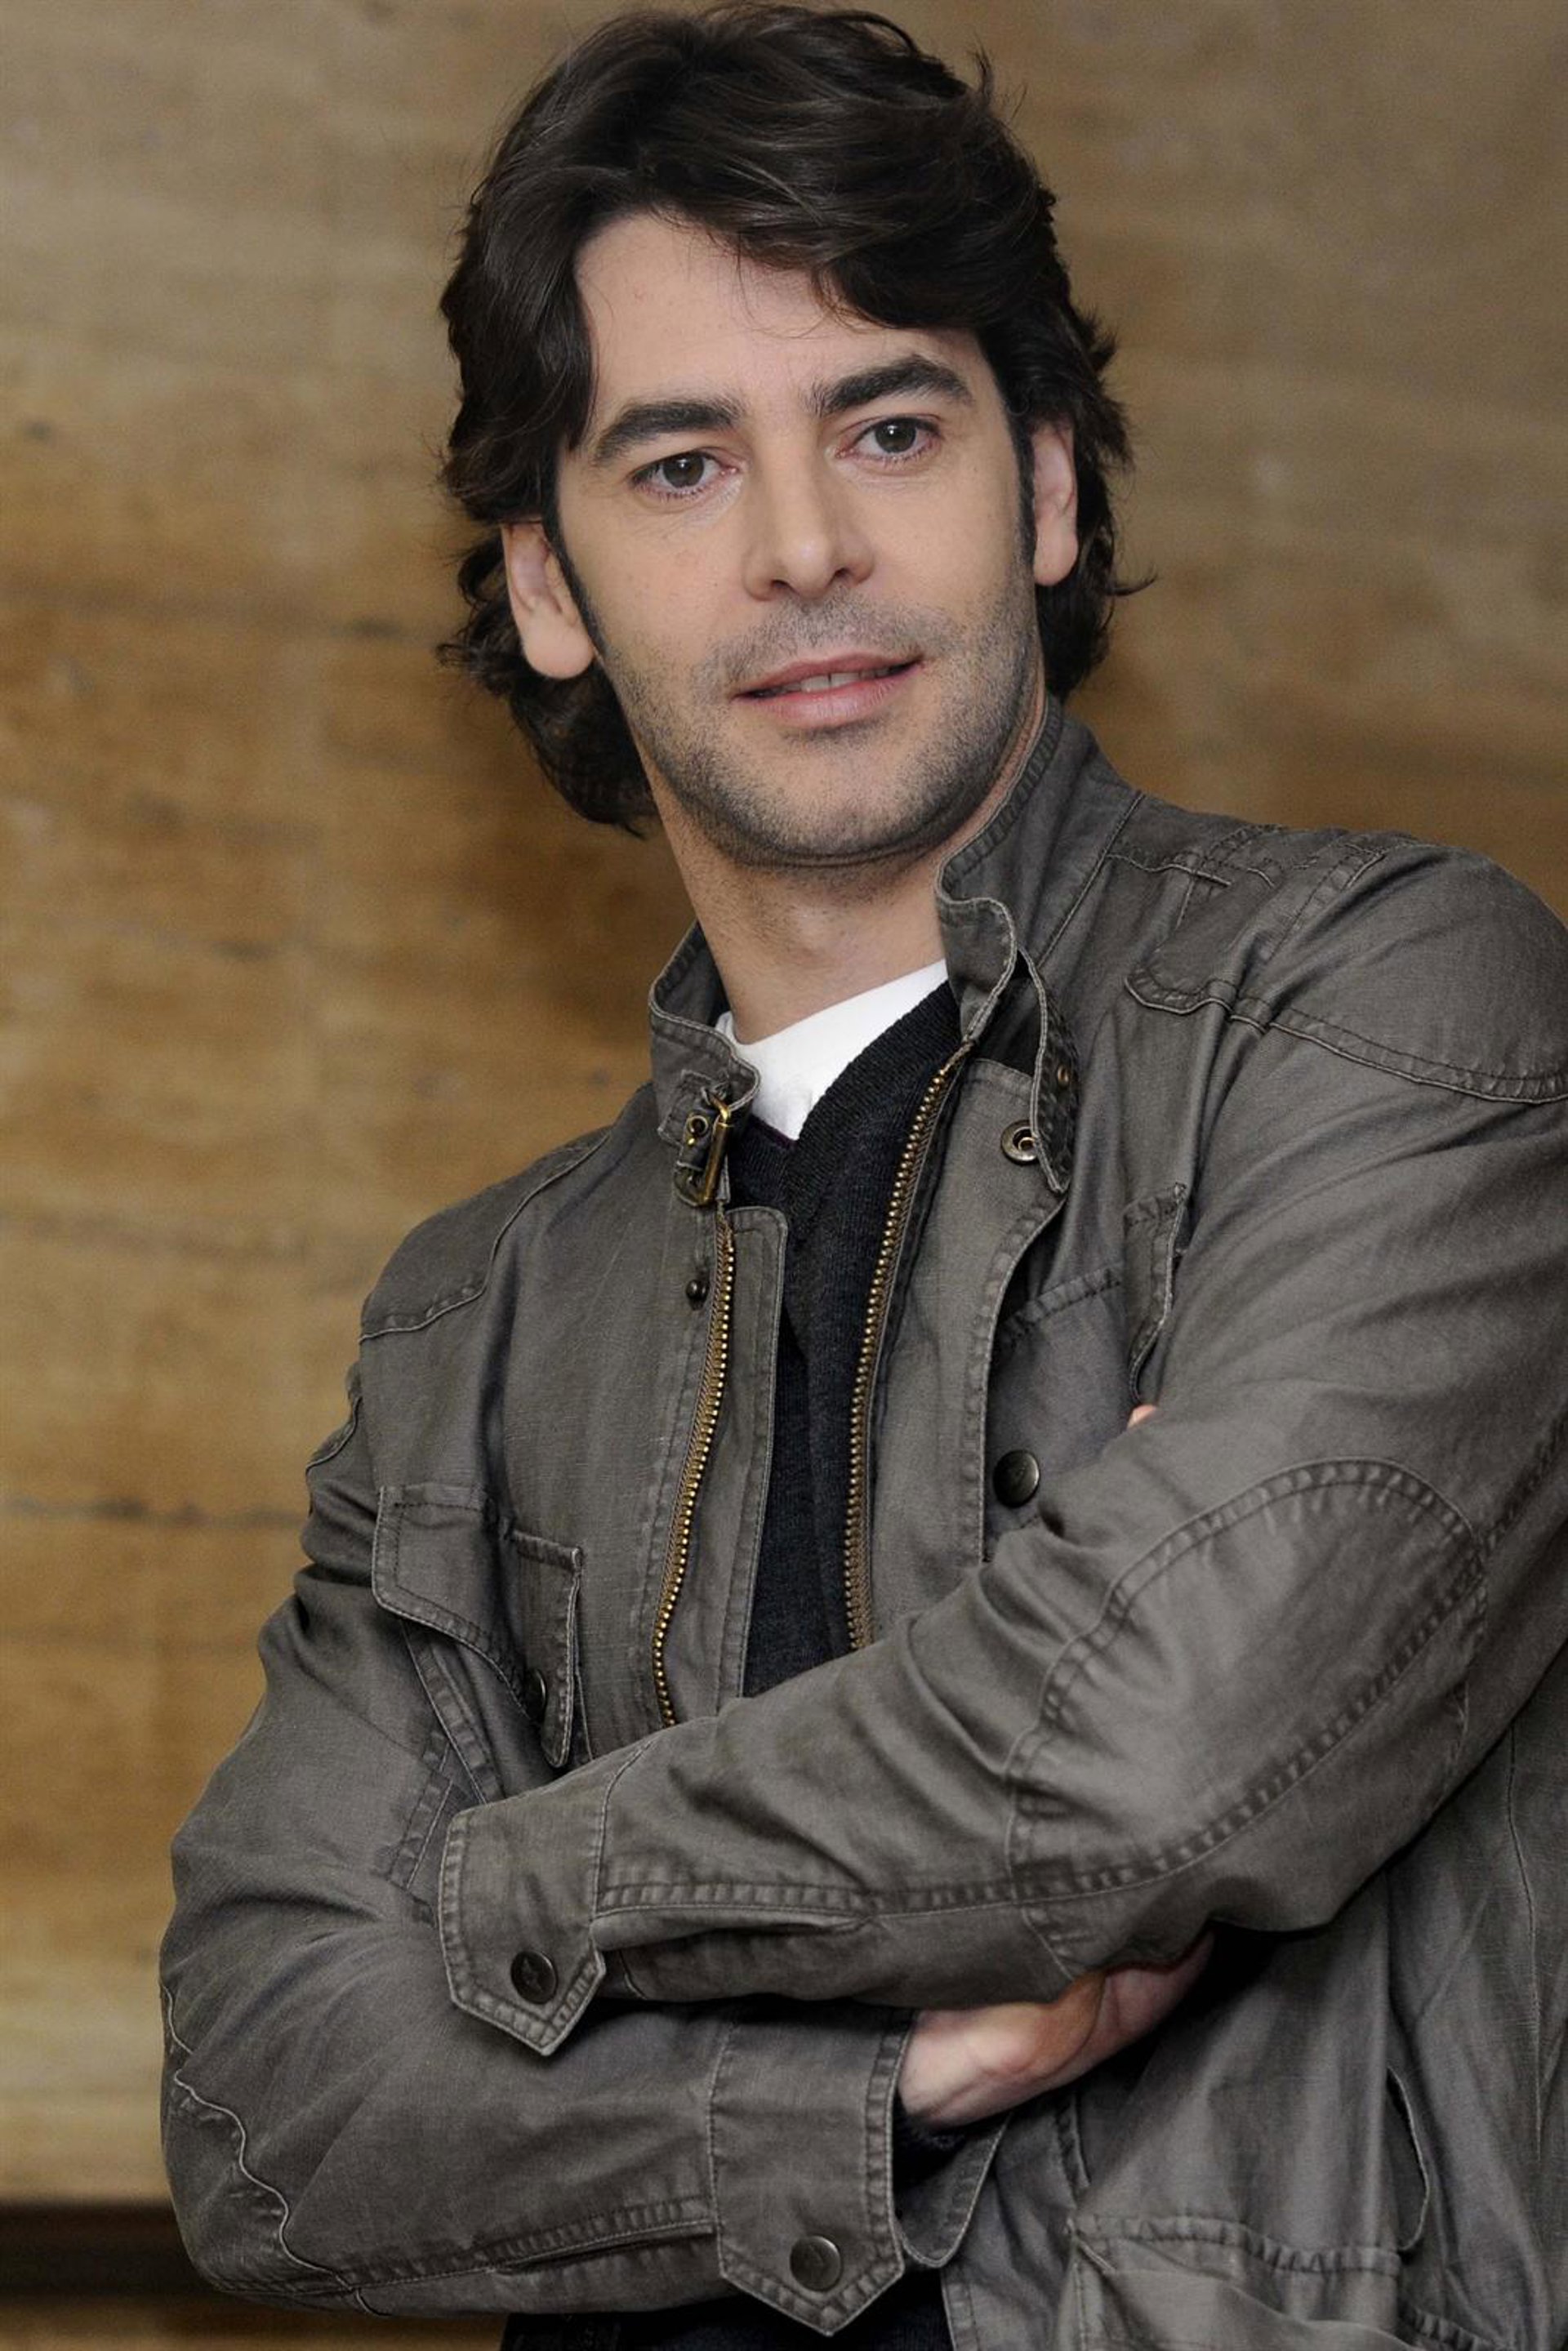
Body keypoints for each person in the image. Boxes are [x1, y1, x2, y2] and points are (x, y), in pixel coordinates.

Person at [161, 7, 1568, 2345]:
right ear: (548, 585)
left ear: (1047, 490)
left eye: (889, 428)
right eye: (682, 464)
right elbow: (260, 2106)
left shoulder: (1387, 1013)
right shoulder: (470, 1324)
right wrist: (870, 2090)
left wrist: (496, 1897)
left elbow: (1152, 1758)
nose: (806, 545)